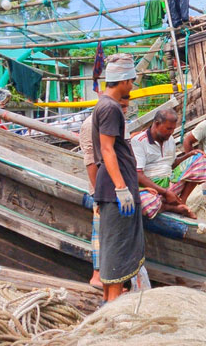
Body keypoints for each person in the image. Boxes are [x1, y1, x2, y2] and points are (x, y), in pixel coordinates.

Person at [91, 54, 144, 302]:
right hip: (115, 190)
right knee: (118, 249)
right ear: (122, 80)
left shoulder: (104, 106)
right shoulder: (110, 108)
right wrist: (121, 188)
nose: (132, 85)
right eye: (131, 80)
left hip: (111, 188)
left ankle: (107, 302)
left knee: (113, 245)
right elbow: (107, 149)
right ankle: (112, 307)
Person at [78, 95, 129, 289]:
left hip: (115, 184)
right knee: (102, 230)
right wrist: (99, 194)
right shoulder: (91, 124)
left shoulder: (118, 120)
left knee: (113, 232)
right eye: (122, 106)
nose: (124, 110)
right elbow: (91, 162)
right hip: (104, 187)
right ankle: (98, 275)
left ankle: (111, 278)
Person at [131, 109, 206, 219]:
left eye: (172, 129)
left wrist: (188, 155)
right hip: (151, 189)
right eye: (168, 128)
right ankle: (174, 208)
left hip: (170, 183)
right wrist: (165, 193)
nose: (171, 132)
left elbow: (171, 164)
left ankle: (182, 202)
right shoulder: (139, 141)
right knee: (144, 203)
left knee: (200, 158)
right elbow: (138, 175)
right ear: (157, 124)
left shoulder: (170, 139)